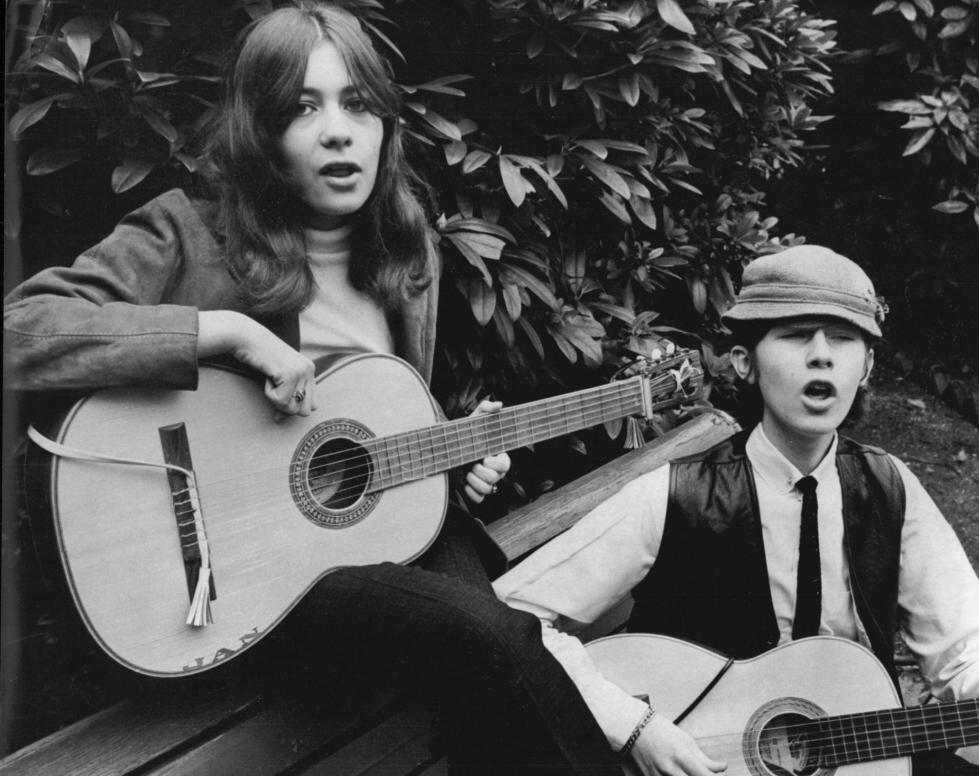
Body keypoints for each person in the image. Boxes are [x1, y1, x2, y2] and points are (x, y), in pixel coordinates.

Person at [4, 3, 618, 773]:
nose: (338, 131)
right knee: (488, 641)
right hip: (240, 583)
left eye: (358, 105)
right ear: (259, 132)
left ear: (386, 125)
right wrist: (224, 335)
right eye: (303, 107)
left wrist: (452, 468)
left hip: (355, 550)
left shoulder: (409, 250)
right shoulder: (187, 233)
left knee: (503, 651)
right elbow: (20, 331)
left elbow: (356, 444)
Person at [494, 245, 979, 776]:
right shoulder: (673, 494)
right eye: (796, 335)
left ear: (866, 368)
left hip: (845, 753)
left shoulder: (889, 490)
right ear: (744, 362)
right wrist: (635, 728)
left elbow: (967, 658)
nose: (822, 358)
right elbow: (507, 616)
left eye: (844, 339)